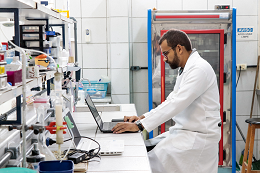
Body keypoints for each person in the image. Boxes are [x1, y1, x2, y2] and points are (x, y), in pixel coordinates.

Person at [112, 29, 221, 173]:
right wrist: (142, 118)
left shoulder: (199, 69)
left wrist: (139, 126)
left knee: (150, 160)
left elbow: (176, 104)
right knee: (147, 149)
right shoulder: (186, 69)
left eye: (165, 53)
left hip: (198, 137)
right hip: (185, 132)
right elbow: (172, 100)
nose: (163, 58)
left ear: (179, 49)